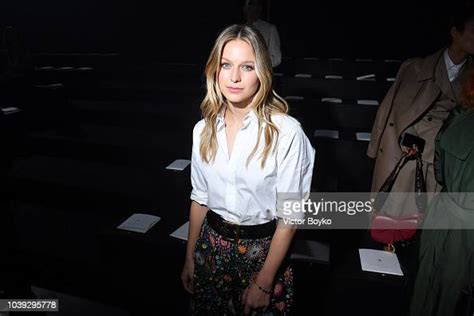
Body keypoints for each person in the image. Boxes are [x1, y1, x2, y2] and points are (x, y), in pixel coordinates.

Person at [180, 24, 315, 315]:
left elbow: (290, 216)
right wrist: (190, 256)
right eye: (226, 65)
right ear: (215, 69)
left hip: (263, 255)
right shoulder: (202, 130)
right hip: (210, 249)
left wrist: (265, 282)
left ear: (263, 72)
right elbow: (199, 198)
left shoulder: (287, 132)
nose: (235, 77)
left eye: (247, 66)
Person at [367, 4, 474, 218]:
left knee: (426, 222)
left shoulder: (471, 76)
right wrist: (375, 148)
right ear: (455, 32)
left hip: (442, 163)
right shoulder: (415, 68)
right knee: (392, 220)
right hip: (407, 155)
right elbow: (388, 110)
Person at [409, 66, 474, 316]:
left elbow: (439, 170)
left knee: (425, 287)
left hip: (442, 214)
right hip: (466, 230)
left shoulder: (458, 116)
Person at [243, 0, 282, 68]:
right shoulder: (239, 30)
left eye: (256, 5)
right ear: (245, 9)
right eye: (250, 5)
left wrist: (257, 64)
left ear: (260, 8)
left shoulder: (270, 29)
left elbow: (276, 58)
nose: (253, 8)